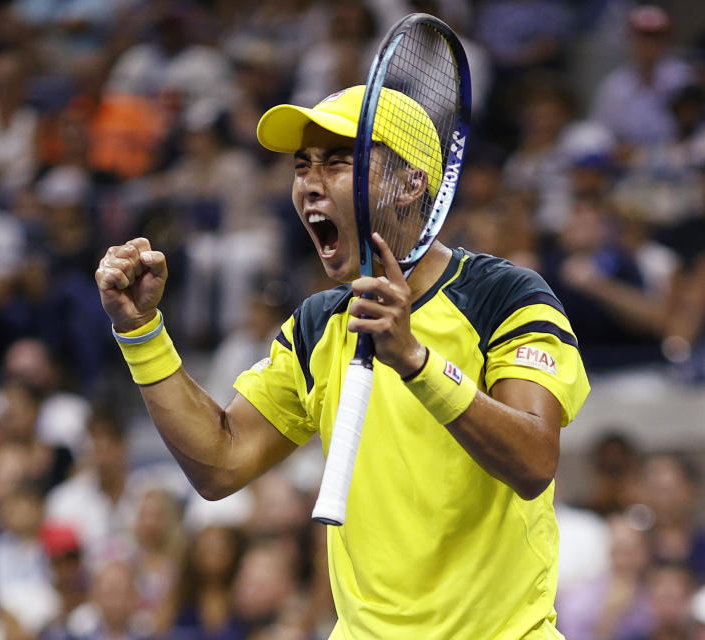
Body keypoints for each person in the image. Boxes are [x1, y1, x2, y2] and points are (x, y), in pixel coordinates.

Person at [96, 84, 591, 638]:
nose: (310, 184)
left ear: (410, 184)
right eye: (302, 166)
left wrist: (417, 363)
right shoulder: (318, 325)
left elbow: (533, 460)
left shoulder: (506, 296)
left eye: (336, 162)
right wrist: (141, 332)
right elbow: (220, 464)